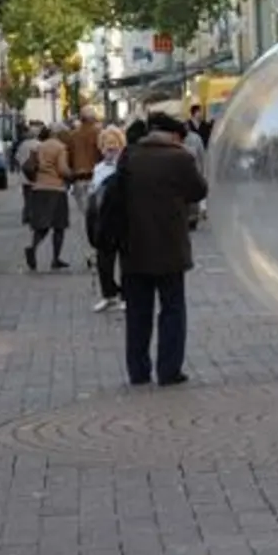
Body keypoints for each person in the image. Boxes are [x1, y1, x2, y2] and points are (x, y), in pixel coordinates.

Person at [116, 112, 207, 386]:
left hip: (133, 246)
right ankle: (169, 370)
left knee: (137, 312)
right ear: (173, 136)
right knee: (172, 309)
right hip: (170, 247)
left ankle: (138, 371)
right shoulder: (180, 158)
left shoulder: (129, 156)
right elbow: (199, 191)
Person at [19, 124, 73, 271]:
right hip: (56, 188)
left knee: (41, 225)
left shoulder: (39, 146)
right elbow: (62, 169)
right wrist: (71, 174)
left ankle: (33, 247)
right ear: (59, 133)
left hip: (39, 188)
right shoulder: (60, 147)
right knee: (59, 226)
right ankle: (55, 258)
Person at [86, 125, 128, 313]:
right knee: (104, 260)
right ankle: (108, 294)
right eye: (106, 144)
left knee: (126, 260)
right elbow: (94, 193)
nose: (110, 148)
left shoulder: (125, 166)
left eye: (114, 143)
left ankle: (126, 296)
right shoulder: (99, 168)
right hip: (103, 219)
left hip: (123, 219)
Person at [69, 107, 103, 217]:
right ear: (93, 119)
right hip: (96, 176)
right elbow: (102, 154)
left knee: (84, 214)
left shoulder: (73, 135)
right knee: (97, 213)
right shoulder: (99, 133)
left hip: (78, 176)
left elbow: (69, 156)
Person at [182, 122, 208, 230]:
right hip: (182, 174)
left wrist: (203, 171)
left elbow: (202, 155)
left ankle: (193, 220)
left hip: (194, 172)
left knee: (193, 198)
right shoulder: (176, 139)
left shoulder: (196, 139)